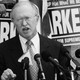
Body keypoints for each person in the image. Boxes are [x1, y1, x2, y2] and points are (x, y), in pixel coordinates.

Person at [0, 1, 70, 80]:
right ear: (13, 22)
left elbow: (66, 77)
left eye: (27, 18)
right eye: (19, 19)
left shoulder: (56, 48)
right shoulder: (2, 50)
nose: (24, 23)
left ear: (37, 19)